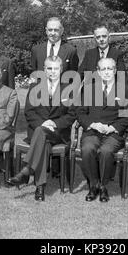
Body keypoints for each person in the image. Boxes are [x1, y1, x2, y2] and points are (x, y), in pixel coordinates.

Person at [7, 56, 76, 201]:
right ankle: (39, 187)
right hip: (39, 130)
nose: (52, 72)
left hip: (58, 133)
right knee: (42, 138)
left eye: (55, 68)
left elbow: (71, 115)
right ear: (44, 70)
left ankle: (27, 170)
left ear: (61, 69)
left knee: (41, 134)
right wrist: (43, 124)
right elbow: (29, 112)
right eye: (49, 68)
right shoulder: (35, 87)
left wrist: (54, 123)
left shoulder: (68, 89)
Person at [76, 58, 128, 202]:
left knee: (106, 151)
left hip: (113, 133)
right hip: (93, 131)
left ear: (114, 71)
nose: (107, 72)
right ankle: (94, 184)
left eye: (110, 69)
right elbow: (80, 113)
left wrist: (113, 127)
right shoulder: (89, 89)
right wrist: (93, 125)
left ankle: (104, 186)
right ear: (98, 72)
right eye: (103, 69)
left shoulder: (124, 90)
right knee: (87, 148)